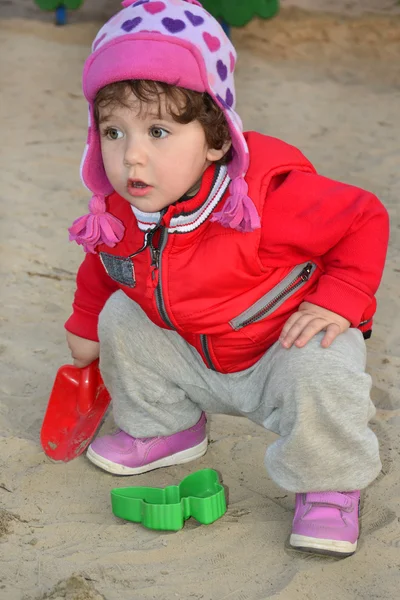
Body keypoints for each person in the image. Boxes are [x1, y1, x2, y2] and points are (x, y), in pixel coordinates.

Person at [65, 0, 389, 557]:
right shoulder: (119, 211)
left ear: (216, 139)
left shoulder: (267, 198)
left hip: (278, 349)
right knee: (121, 314)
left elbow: (365, 217)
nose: (132, 157)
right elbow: (105, 264)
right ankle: (167, 427)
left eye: (159, 131)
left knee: (324, 362)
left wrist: (342, 300)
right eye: (114, 132)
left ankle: (328, 483)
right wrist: (86, 321)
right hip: (194, 350)